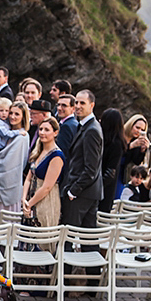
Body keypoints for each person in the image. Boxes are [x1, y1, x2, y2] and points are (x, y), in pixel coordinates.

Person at [60, 90, 103, 236]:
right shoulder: (85, 126)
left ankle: (64, 260)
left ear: (92, 105)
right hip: (88, 192)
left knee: (67, 236)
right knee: (88, 238)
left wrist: (73, 191)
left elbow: (91, 168)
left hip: (82, 194)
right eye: (76, 102)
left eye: (82, 103)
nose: (78, 106)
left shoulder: (92, 130)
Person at [22, 117, 64, 229]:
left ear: (55, 133)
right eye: (40, 129)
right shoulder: (38, 151)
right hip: (30, 200)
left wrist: (29, 204)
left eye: (46, 130)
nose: (42, 133)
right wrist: (24, 199)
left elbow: (47, 187)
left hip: (46, 201)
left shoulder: (57, 156)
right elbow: (28, 178)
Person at [0, 100, 30, 212]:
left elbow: (9, 164)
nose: (12, 116)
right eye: (11, 113)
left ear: (23, 117)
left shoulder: (22, 136)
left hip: (10, 186)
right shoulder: (6, 132)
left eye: (17, 114)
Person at [98, 108, 125, 213]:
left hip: (105, 188)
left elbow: (110, 171)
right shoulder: (110, 141)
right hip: (104, 185)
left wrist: (98, 187)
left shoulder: (116, 144)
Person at [122, 114, 150, 179]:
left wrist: (142, 150)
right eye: (137, 127)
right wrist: (131, 146)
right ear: (131, 125)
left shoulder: (137, 141)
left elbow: (136, 161)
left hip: (123, 173)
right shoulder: (120, 135)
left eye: (142, 130)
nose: (139, 131)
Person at [55, 94, 78, 172]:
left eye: (64, 105)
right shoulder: (74, 123)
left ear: (73, 108)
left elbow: (63, 154)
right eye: (58, 105)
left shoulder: (66, 127)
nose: (59, 108)